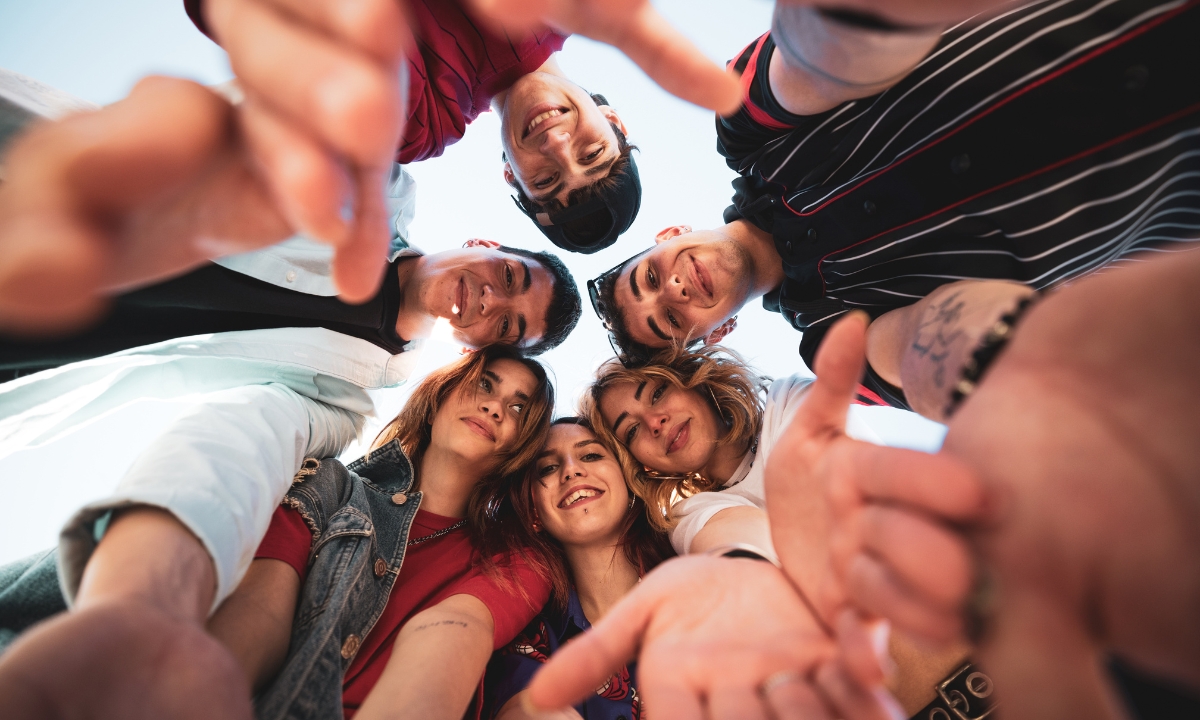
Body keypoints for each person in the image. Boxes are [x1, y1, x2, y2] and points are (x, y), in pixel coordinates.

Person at [587, 0, 1200, 411]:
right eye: (669, 321)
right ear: (718, 331)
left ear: (667, 234)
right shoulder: (837, 351)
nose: (670, 292)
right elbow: (922, 350)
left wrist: (847, 28)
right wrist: (993, 360)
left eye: (647, 276)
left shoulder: (747, 130)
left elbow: (819, 57)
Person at [0, 344, 557, 720]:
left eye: (518, 406)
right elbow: (265, 597)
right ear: (441, 394)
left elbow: (454, 633)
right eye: (486, 382)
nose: (494, 404)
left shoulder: (511, 559)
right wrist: (199, 685)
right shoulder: (329, 484)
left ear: (519, 445)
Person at [765, 247, 1200, 719]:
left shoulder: (806, 374)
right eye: (666, 326)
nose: (666, 423)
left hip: (1084, 619)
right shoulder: (681, 519)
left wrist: (1006, 351)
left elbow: (911, 338)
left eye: (666, 383)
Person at [582, 344, 974, 717]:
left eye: (658, 394)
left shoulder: (788, 402)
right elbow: (735, 544)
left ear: (693, 381)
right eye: (630, 431)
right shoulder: (690, 516)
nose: (654, 423)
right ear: (641, 464)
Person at [184, 0, 641, 255]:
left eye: (545, 180)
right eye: (592, 154)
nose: (557, 144)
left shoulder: (419, 126)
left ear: (511, 176)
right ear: (614, 120)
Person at [482, 417, 674, 720]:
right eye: (547, 468)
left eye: (591, 455)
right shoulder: (530, 637)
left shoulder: (692, 563)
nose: (571, 469)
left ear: (628, 479)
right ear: (534, 512)